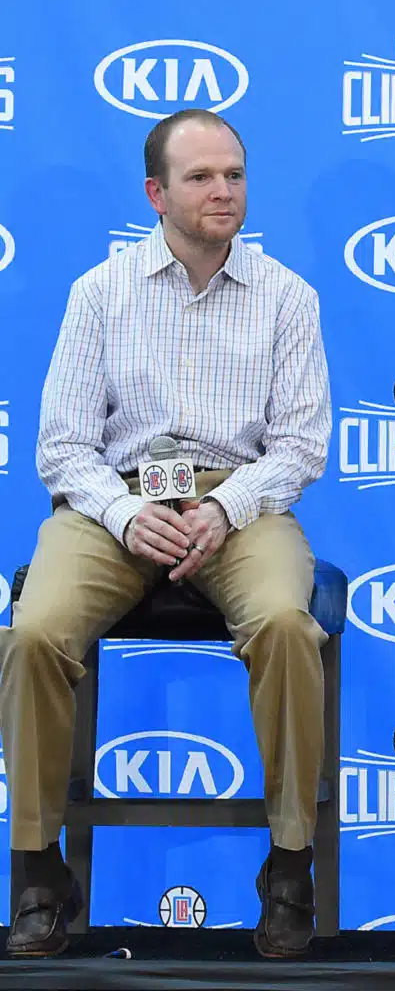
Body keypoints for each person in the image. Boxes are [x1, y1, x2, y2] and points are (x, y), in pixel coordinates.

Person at [0, 109, 332, 957]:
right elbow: (62, 446)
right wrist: (122, 513)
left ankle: (290, 862)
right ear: (156, 193)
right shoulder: (100, 292)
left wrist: (224, 510)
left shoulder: (288, 297)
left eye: (235, 175)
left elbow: (299, 447)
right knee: (33, 632)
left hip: (240, 503)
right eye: (201, 177)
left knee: (287, 624)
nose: (224, 191)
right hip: (113, 502)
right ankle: (37, 869)